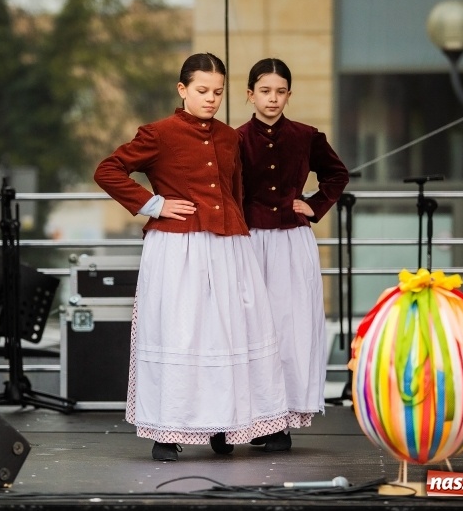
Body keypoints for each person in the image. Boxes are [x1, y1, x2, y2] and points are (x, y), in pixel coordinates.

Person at [94, 53, 290, 461]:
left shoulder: (228, 136)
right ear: (182, 90)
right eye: (202, 91)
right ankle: (167, 432)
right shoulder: (158, 133)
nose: (211, 99)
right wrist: (154, 204)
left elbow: (234, 191)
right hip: (178, 249)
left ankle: (225, 425)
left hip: (229, 247)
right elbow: (108, 170)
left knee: (229, 334)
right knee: (181, 334)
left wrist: (239, 232)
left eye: (218, 92)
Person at [237, 58, 349, 451]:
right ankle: (245, 416)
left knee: (289, 327)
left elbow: (337, 174)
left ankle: (280, 420)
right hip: (247, 242)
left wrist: (314, 205)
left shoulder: (306, 136)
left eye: (280, 91)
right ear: (249, 94)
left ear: (289, 94)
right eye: (265, 91)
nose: (273, 99)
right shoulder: (234, 139)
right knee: (248, 327)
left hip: (290, 241)